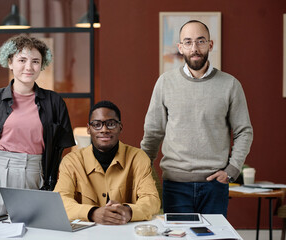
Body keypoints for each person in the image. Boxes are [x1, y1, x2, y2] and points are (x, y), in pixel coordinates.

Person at [141, 20, 253, 217]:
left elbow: (244, 131)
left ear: (210, 45)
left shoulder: (230, 85)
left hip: (214, 187)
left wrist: (232, 169)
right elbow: (152, 132)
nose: (195, 48)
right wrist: (141, 170)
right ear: (180, 47)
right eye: (188, 42)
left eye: (200, 41)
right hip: (175, 187)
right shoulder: (165, 83)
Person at [0, 35, 75, 213]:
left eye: (35, 61)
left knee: (33, 233)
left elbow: (62, 148)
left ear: (42, 65)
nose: (29, 67)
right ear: (10, 62)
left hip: (35, 174)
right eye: (22, 60)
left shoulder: (55, 102)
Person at [54, 100, 160, 225]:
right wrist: (92, 213)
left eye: (111, 124)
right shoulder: (71, 161)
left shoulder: (138, 158)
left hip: (126, 231)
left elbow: (152, 200)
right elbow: (60, 202)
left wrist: (128, 211)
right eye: (97, 124)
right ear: (89, 129)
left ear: (120, 127)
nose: (104, 130)